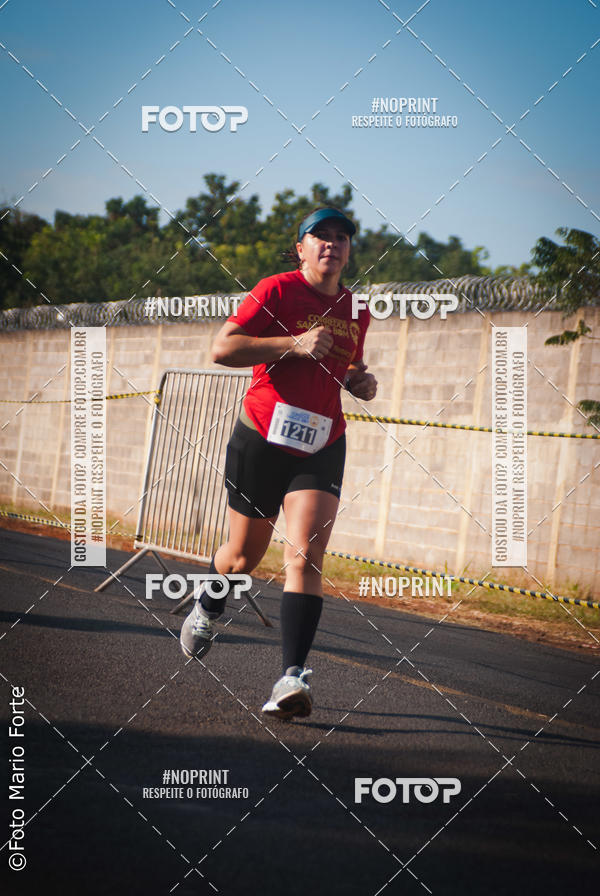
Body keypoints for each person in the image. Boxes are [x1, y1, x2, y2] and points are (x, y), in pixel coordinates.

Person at [180, 206, 377, 719]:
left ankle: (292, 677)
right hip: (263, 437)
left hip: (322, 442)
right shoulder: (276, 290)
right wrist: (294, 344)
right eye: (320, 236)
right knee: (242, 557)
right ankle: (209, 603)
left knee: (305, 556)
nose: (332, 243)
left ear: (349, 250)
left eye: (341, 237)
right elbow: (223, 349)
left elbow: (348, 364)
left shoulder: (357, 309)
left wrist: (359, 380)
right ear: (301, 248)